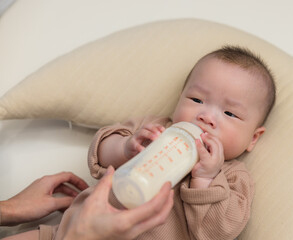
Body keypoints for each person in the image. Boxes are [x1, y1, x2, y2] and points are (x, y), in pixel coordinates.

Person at [11, 45, 276, 239]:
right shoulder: (155, 131)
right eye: (197, 100)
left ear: (253, 138)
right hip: (68, 231)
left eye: (230, 113)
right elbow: (100, 154)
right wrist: (126, 148)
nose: (206, 116)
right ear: (181, 96)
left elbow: (219, 232)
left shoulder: (232, 178)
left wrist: (205, 179)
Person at [1, 167, 174, 240]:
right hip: (61, 233)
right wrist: (125, 145)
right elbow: (102, 149)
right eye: (195, 100)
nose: (202, 115)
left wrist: (8, 209)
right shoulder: (157, 128)